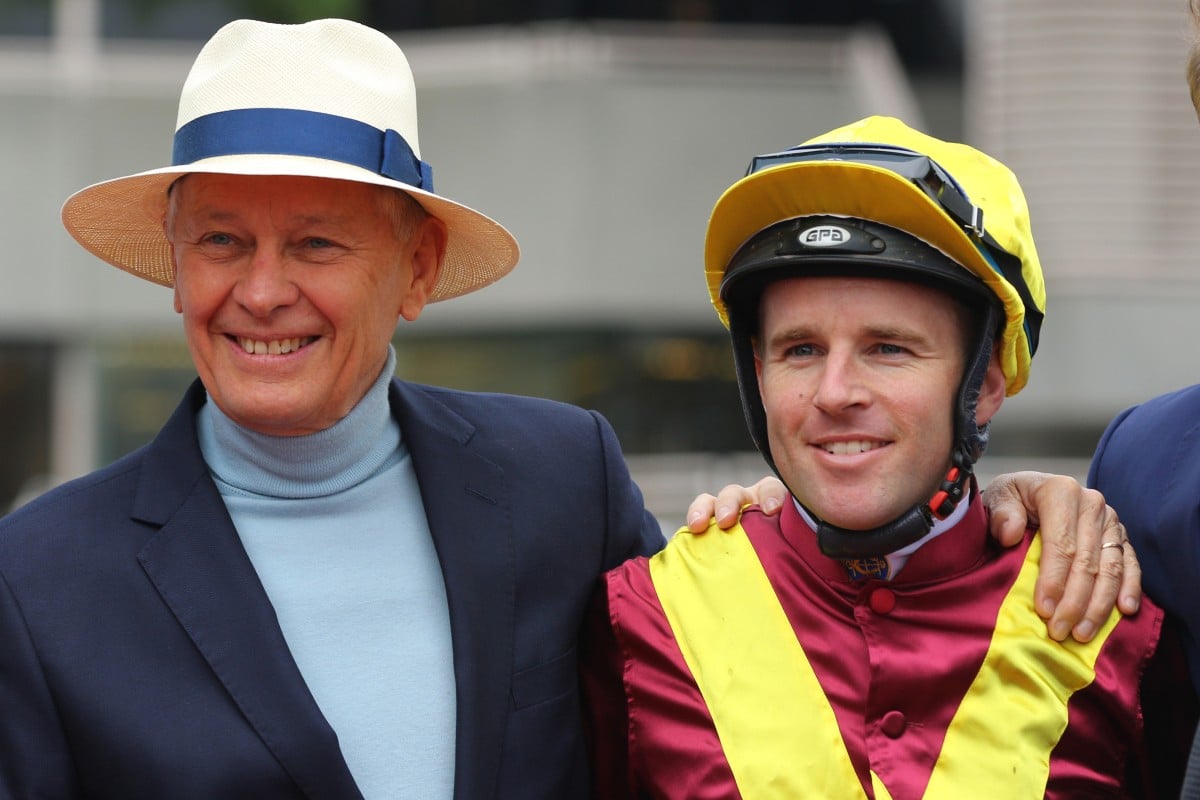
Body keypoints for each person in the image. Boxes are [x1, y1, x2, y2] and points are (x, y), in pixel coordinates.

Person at [0, 18, 1137, 800]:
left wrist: (1013, 499)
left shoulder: (561, 478)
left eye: (317, 242)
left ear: (419, 266)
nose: (260, 289)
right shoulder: (38, 576)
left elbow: (785, 633)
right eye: (220, 242)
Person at [581, 116, 1196, 798]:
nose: (835, 393)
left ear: (985, 383)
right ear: (758, 374)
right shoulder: (642, 617)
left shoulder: (1113, 634)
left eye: (888, 348)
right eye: (801, 350)